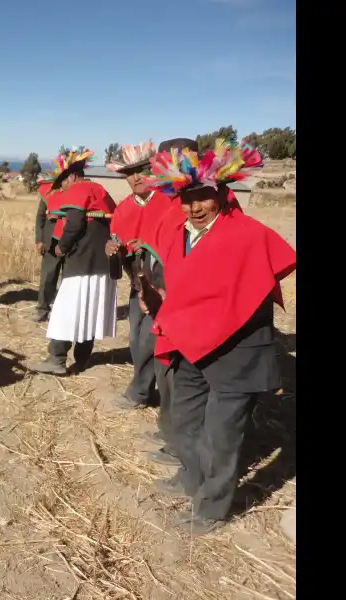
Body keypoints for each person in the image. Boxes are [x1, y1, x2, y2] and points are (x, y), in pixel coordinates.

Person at [142, 139, 296, 534]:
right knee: (185, 418)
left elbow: (254, 283)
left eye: (203, 197)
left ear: (222, 193)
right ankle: (193, 478)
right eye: (186, 197)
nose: (194, 207)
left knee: (223, 434)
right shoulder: (181, 233)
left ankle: (211, 509)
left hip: (235, 349)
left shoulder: (247, 234)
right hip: (189, 342)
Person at [110, 138, 193, 468]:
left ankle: (143, 393)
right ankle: (150, 395)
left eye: (143, 170)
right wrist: (117, 253)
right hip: (140, 283)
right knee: (136, 339)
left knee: (156, 343)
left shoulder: (171, 201)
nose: (136, 177)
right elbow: (123, 244)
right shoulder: (125, 207)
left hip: (166, 288)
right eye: (130, 173)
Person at [29, 147, 117, 375]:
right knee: (90, 308)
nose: (61, 188)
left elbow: (75, 223)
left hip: (81, 261)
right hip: (101, 263)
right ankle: (82, 358)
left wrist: (61, 247)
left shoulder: (79, 190)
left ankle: (56, 358)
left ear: (72, 176)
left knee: (65, 309)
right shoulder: (99, 190)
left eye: (63, 182)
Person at [31, 179, 66, 322]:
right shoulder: (48, 192)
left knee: (68, 279)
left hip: (72, 241)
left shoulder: (80, 192)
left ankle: (63, 311)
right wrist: (39, 240)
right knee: (47, 277)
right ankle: (42, 309)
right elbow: (40, 217)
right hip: (51, 241)